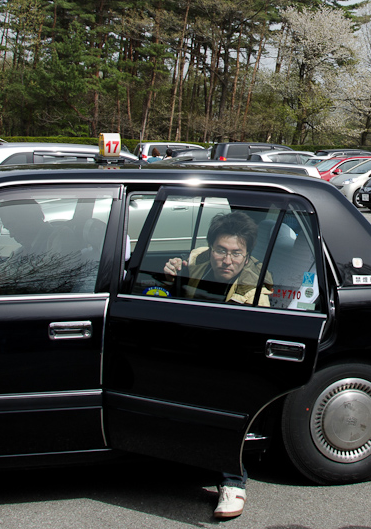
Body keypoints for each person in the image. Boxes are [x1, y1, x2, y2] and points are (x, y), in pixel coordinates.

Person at [162, 211, 272, 519]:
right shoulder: (197, 264)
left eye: (237, 253)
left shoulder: (255, 289)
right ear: (211, 249)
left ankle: (232, 480)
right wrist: (173, 280)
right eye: (221, 251)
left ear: (247, 255)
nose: (227, 260)